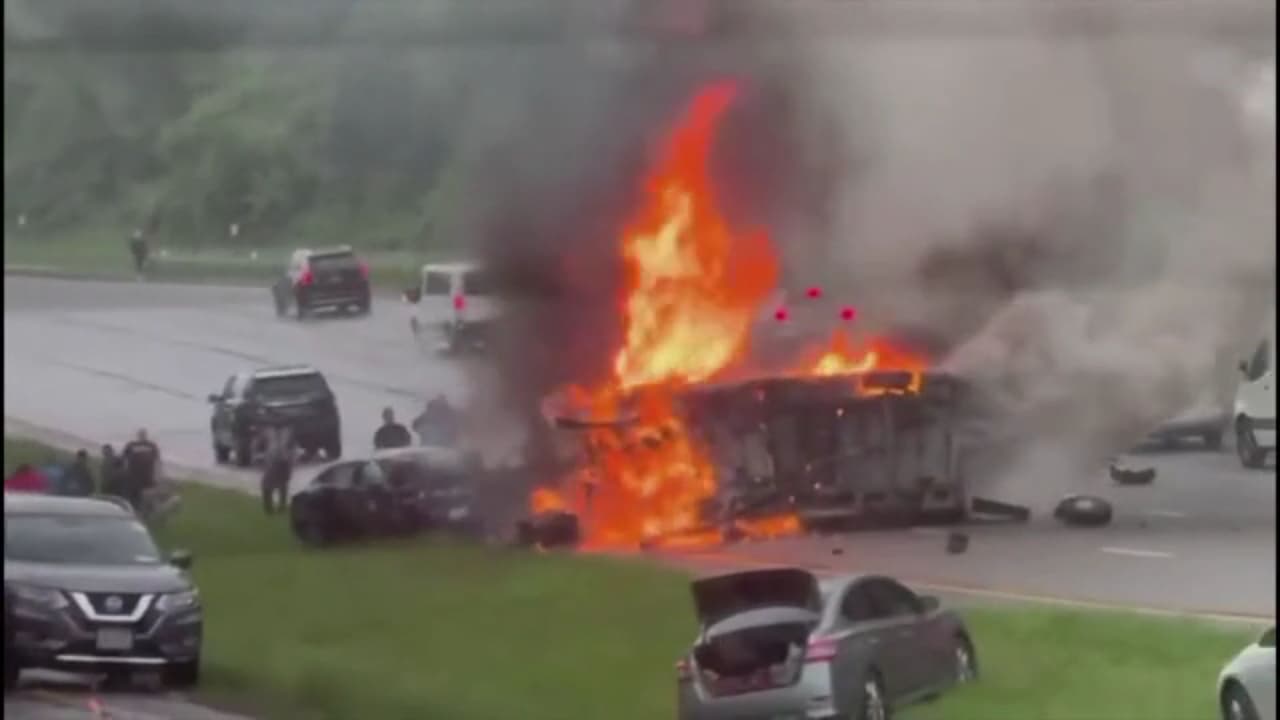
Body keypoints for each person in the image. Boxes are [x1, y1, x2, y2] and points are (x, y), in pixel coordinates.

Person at [260, 424, 295, 515]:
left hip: (279, 460)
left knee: (269, 484)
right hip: (280, 459)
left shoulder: (281, 430)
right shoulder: (285, 430)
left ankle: (273, 509)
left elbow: (290, 447)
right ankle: (278, 508)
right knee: (281, 484)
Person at [121, 429, 161, 509]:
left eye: (143, 434)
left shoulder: (152, 445)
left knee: (147, 497)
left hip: (147, 477)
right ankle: (134, 510)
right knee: (133, 498)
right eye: (141, 434)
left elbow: (157, 461)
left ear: (146, 435)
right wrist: (125, 472)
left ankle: (147, 510)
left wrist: (157, 475)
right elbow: (124, 458)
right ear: (138, 435)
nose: (142, 436)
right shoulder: (131, 445)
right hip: (133, 477)